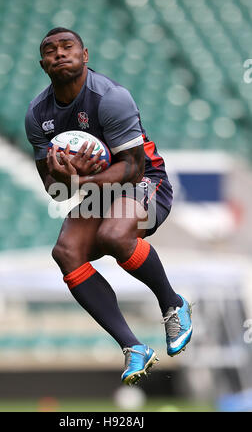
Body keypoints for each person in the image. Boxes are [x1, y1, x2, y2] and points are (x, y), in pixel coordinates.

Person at [25, 27, 192, 385]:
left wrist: (81, 182)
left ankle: (172, 303)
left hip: (148, 181)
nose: (59, 54)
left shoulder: (111, 98)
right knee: (66, 252)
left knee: (115, 235)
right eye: (51, 51)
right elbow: (55, 191)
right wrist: (66, 176)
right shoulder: (38, 114)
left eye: (68, 47)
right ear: (43, 64)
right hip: (99, 190)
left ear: (85, 56)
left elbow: (133, 168)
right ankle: (133, 347)